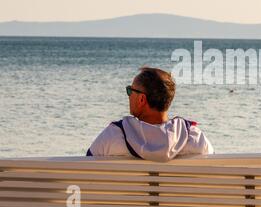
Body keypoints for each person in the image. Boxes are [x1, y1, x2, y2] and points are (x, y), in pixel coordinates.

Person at [86, 67, 214, 161]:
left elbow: (85, 172)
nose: (128, 95)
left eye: (130, 91)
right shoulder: (194, 138)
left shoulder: (113, 135)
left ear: (142, 99)